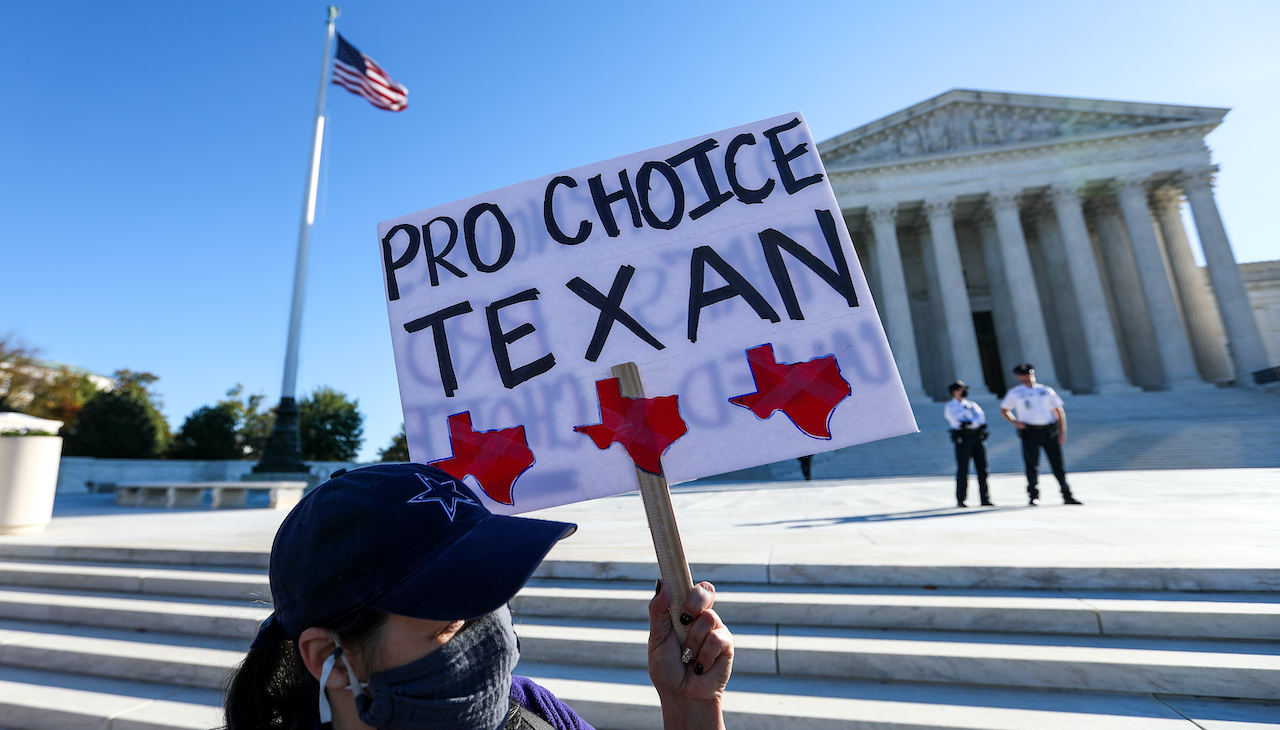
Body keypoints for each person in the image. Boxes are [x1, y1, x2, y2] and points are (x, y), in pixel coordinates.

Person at [223, 463, 733, 730]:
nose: (497, 643)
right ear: (329, 660)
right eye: (449, 624)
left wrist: (689, 707)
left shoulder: (529, 710)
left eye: (493, 599)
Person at [999, 363, 1082, 506]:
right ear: (1019, 377)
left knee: (1058, 465)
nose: (1028, 377)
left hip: (1049, 431)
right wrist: (1015, 422)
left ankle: (1067, 494)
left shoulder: (1045, 390)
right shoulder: (1015, 393)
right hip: (1030, 432)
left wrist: (1062, 431)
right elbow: (1004, 409)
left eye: (1029, 374)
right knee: (1031, 464)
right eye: (1024, 374)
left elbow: (1058, 411)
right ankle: (1033, 495)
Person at [943, 380, 992, 508]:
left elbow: (981, 418)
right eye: (961, 389)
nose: (964, 391)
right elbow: (957, 422)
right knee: (963, 469)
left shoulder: (972, 405)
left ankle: (985, 498)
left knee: (983, 469)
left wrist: (970, 422)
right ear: (954, 392)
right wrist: (971, 422)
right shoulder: (951, 407)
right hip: (963, 438)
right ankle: (961, 499)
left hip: (977, 437)